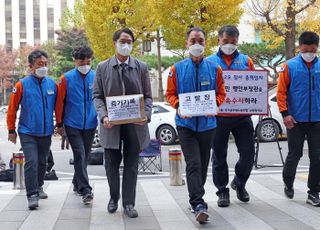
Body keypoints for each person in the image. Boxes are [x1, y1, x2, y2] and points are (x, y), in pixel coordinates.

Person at [167, 27, 226, 223]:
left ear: (206, 43)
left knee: (201, 164)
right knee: (193, 163)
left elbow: (221, 93)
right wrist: (178, 106)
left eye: (200, 40)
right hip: (185, 125)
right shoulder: (176, 69)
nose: (196, 44)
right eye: (193, 41)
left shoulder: (215, 69)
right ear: (186, 44)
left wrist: (215, 104)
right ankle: (198, 202)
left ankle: (195, 199)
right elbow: (170, 94)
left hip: (208, 125)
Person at [93, 28, 152, 218]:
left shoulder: (141, 67)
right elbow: (97, 96)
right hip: (111, 125)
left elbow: (148, 96)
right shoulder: (102, 67)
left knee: (132, 165)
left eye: (129, 42)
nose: (126, 45)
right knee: (111, 164)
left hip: (135, 125)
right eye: (123, 41)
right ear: (115, 42)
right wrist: (103, 116)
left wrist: (147, 114)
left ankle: (129, 203)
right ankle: (113, 197)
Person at [206, 25, 255, 207]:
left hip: (242, 115)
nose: (229, 45)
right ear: (219, 40)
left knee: (249, 153)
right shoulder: (209, 61)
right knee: (219, 155)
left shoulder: (246, 61)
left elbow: (255, 87)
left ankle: (239, 183)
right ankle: (222, 191)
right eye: (225, 41)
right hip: (219, 115)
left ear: (237, 41)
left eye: (233, 42)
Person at [6, 49, 57, 210]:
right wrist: (11, 130)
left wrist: (60, 125)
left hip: (46, 131)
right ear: (31, 66)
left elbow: (59, 106)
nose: (43, 67)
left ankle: (39, 186)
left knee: (43, 162)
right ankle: (32, 195)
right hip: (27, 131)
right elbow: (12, 109)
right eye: (39, 64)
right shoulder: (22, 85)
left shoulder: (52, 84)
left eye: (45, 64)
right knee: (32, 161)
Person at [277, 31, 320, 206]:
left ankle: (314, 191)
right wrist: (285, 114)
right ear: (300, 47)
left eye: (313, 49)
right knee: (294, 154)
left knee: (317, 157)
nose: (309, 52)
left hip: (317, 120)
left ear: (317, 47)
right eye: (306, 49)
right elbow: (281, 93)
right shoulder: (289, 66)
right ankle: (288, 181)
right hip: (295, 120)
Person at [55, 45, 97, 204]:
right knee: (79, 154)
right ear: (75, 61)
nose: (85, 64)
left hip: (91, 123)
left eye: (88, 60)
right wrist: (59, 124)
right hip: (72, 123)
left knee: (85, 156)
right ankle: (86, 190)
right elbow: (59, 103)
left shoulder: (96, 76)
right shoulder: (66, 79)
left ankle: (76, 182)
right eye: (81, 61)